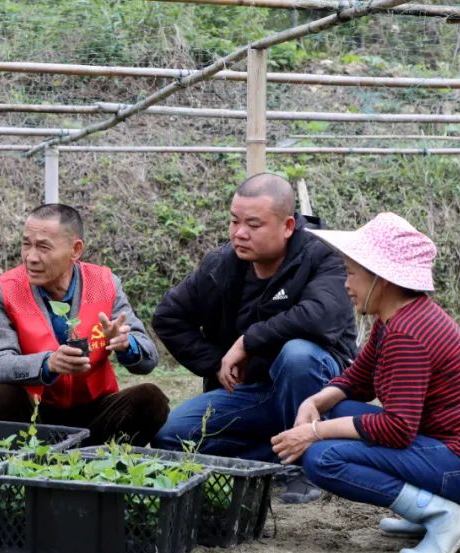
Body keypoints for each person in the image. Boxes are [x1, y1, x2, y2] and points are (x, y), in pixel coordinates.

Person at [270, 212, 460, 553]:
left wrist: (312, 432)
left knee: (321, 458)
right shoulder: (397, 320)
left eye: (352, 273)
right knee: (336, 411)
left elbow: (397, 428)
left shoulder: (408, 335)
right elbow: (359, 379)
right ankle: (423, 507)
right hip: (449, 447)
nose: (345, 284)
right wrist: (315, 401)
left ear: (382, 279)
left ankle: (443, 516)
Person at [152, 173, 357, 503]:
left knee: (298, 355)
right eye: (234, 221)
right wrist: (216, 363)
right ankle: (276, 455)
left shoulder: (324, 256)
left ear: (288, 226)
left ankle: (306, 466)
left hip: (318, 390)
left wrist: (247, 341)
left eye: (253, 224)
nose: (239, 233)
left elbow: (321, 315)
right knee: (170, 437)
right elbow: (168, 317)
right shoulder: (220, 266)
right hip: (252, 392)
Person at [0, 203, 168, 445]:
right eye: (26, 244)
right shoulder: (1, 291)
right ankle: (12, 474)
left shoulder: (105, 283)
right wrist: (48, 364)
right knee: (4, 394)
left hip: (92, 412)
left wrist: (125, 343)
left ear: (75, 250)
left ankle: (104, 471)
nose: (31, 257)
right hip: (32, 411)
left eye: (44, 247)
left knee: (150, 399)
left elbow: (148, 357)